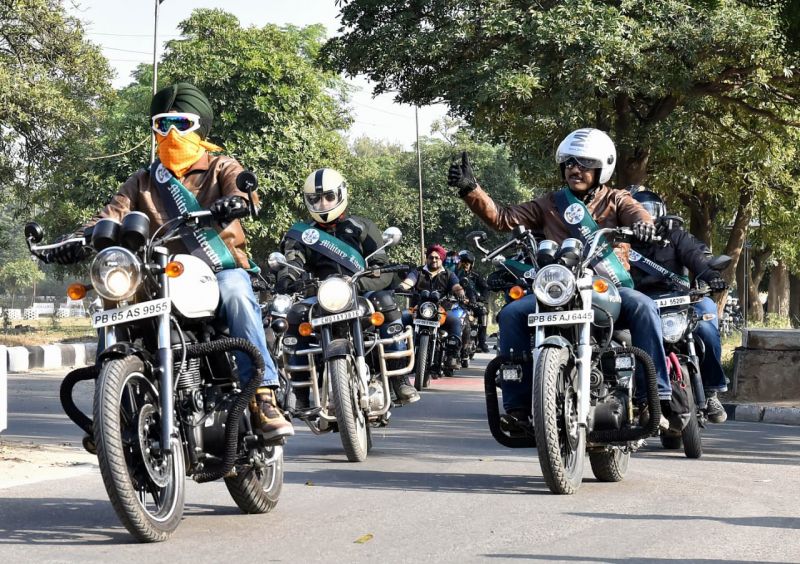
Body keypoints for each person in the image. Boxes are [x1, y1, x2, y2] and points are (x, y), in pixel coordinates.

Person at [49, 82, 293, 439]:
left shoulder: (221, 166)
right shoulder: (143, 181)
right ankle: (112, 410)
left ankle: (262, 393)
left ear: (200, 128)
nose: (172, 133)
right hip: (155, 275)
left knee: (239, 293)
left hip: (217, 269)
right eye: (163, 124)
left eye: (181, 122)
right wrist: (69, 241)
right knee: (111, 299)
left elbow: (242, 191)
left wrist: (235, 201)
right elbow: (110, 216)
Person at [447, 128, 671, 426]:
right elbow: (503, 218)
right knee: (512, 314)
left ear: (602, 167)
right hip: (560, 288)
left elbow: (639, 214)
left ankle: (653, 397)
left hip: (608, 288)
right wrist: (470, 190)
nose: (574, 169)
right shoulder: (551, 203)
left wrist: (645, 225)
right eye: (569, 163)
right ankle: (516, 408)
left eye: (583, 163)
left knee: (645, 307)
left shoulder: (617, 199)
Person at [275, 167, 420, 405]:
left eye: (329, 197)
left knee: (385, 302)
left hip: (360, 291)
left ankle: (399, 378)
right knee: (296, 314)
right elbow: (293, 262)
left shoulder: (362, 226)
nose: (323, 203)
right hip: (321, 296)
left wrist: (362, 280)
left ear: (341, 195)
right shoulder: (302, 234)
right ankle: (299, 392)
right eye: (316, 199)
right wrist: (287, 278)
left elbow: (380, 265)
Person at [630, 189, 729, 423]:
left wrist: (710, 275)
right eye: (640, 212)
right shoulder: (621, 240)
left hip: (682, 299)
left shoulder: (675, 235)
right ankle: (635, 398)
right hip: (642, 304)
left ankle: (711, 389)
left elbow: (696, 257)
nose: (647, 218)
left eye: (652, 211)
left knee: (706, 326)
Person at [397, 244, 469, 370]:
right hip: (417, 309)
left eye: (437, 257)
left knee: (456, 321)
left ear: (442, 259)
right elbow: (410, 281)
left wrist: (460, 292)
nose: (434, 260)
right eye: (431, 257)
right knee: (400, 318)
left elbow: (456, 286)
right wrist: (402, 287)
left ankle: (452, 356)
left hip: (441, 311)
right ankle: (396, 352)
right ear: (427, 258)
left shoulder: (449, 274)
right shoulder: (418, 272)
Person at [455, 251, 491, 353]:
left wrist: (482, 299)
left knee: (483, 312)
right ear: (459, 262)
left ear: (472, 264)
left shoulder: (476, 276)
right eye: (463, 262)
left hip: (471, 303)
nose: (465, 265)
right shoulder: (453, 275)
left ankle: (482, 342)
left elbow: (485, 288)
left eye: (468, 263)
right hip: (455, 303)